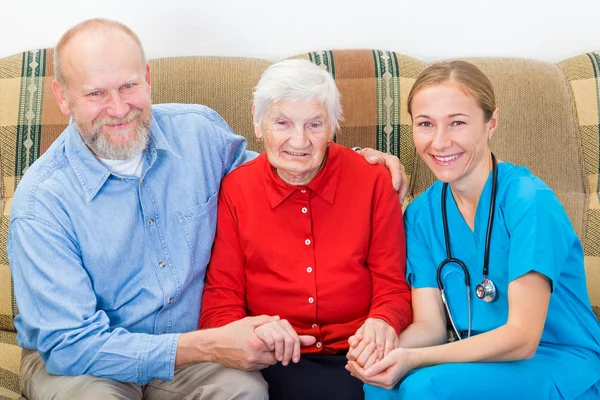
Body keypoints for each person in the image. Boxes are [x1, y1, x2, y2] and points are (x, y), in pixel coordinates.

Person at [8, 18, 408, 400]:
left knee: (243, 390)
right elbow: (70, 345)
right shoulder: (42, 203)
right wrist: (208, 344)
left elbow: (279, 168)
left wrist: (357, 164)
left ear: (147, 80)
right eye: (96, 93)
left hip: (196, 359)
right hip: (89, 364)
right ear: (63, 97)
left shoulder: (199, 134)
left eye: (128, 86)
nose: (117, 107)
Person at [346, 61, 600, 399]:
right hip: (479, 363)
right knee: (381, 386)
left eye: (457, 123)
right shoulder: (420, 214)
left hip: (559, 361)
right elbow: (431, 327)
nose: (439, 142)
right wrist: (382, 353)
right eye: (425, 124)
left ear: (490, 123)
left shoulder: (529, 201)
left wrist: (413, 359)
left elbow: (522, 338)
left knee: (426, 386)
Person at [199, 59, 412, 400]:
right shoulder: (236, 189)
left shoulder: (372, 181)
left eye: (314, 124)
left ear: (331, 127)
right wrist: (254, 334)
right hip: (272, 360)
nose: (299, 141)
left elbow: (393, 286)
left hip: (358, 355)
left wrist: (383, 321)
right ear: (258, 121)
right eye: (282, 122)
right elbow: (221, 299)